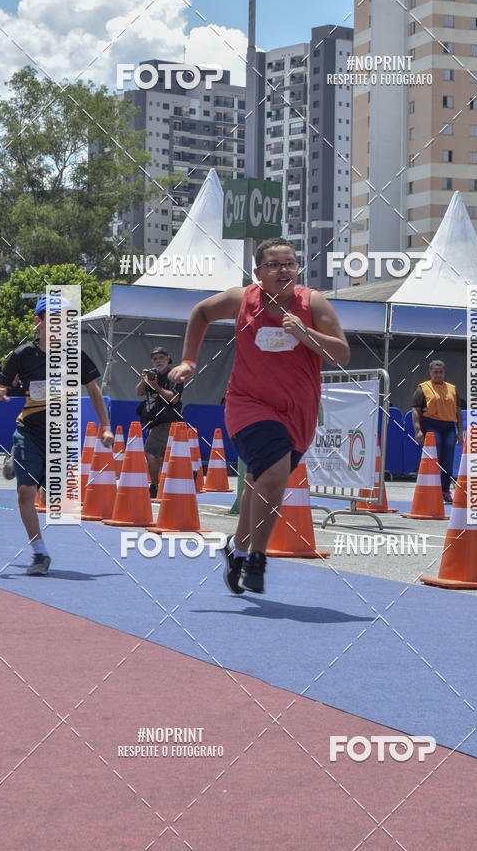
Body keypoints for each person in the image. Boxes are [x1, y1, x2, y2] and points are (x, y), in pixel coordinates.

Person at [168, 237, 349, 594]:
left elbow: (342, 355)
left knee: (261, 481)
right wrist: (189, 360)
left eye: (290, 264)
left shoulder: (312, 303)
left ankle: (236, 550)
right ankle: (258, 559)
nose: (284, 270)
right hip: (247, 403)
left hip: (298, 412)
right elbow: (200, 313)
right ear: (258, 272)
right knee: (273, 472)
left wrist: (305, 332)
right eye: (275, 265)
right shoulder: (243, 300)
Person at [0, 295, 114, 575]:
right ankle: (39, 553)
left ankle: (14, 462)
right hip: (29, 432)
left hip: (59, 436)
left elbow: (93, 390)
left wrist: (105, 426)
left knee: (51, 500)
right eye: (53, 318)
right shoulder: (23, 355)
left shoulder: (75, 355)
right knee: (25, 494)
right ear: (39, 322)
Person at [411, 360, 464, 502]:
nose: (438, 375)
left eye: (441, 372)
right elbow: (416, 411)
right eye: (435, 372)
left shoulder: (452, 389)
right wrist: (418, 431)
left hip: (448, 426)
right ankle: (431, 489)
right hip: (431, 424)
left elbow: (458, 412)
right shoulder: (422, 388)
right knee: (434, 456)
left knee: (448, 458)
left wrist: (460, 432)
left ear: (444, 373)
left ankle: (445, 490)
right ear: (430, 372)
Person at [135, 346, 184, 498]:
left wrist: (157, 387)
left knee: (150, 452)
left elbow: (175, 398)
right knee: (163, 456)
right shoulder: (152, 375)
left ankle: (156, 485)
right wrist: (144, 380)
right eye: (155, 358)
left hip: (169, 421)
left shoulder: (175, 375)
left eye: (161, 358)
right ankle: (179, 478)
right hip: (156, 422)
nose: (158, 361)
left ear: (168, 359)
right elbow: (139, 392)